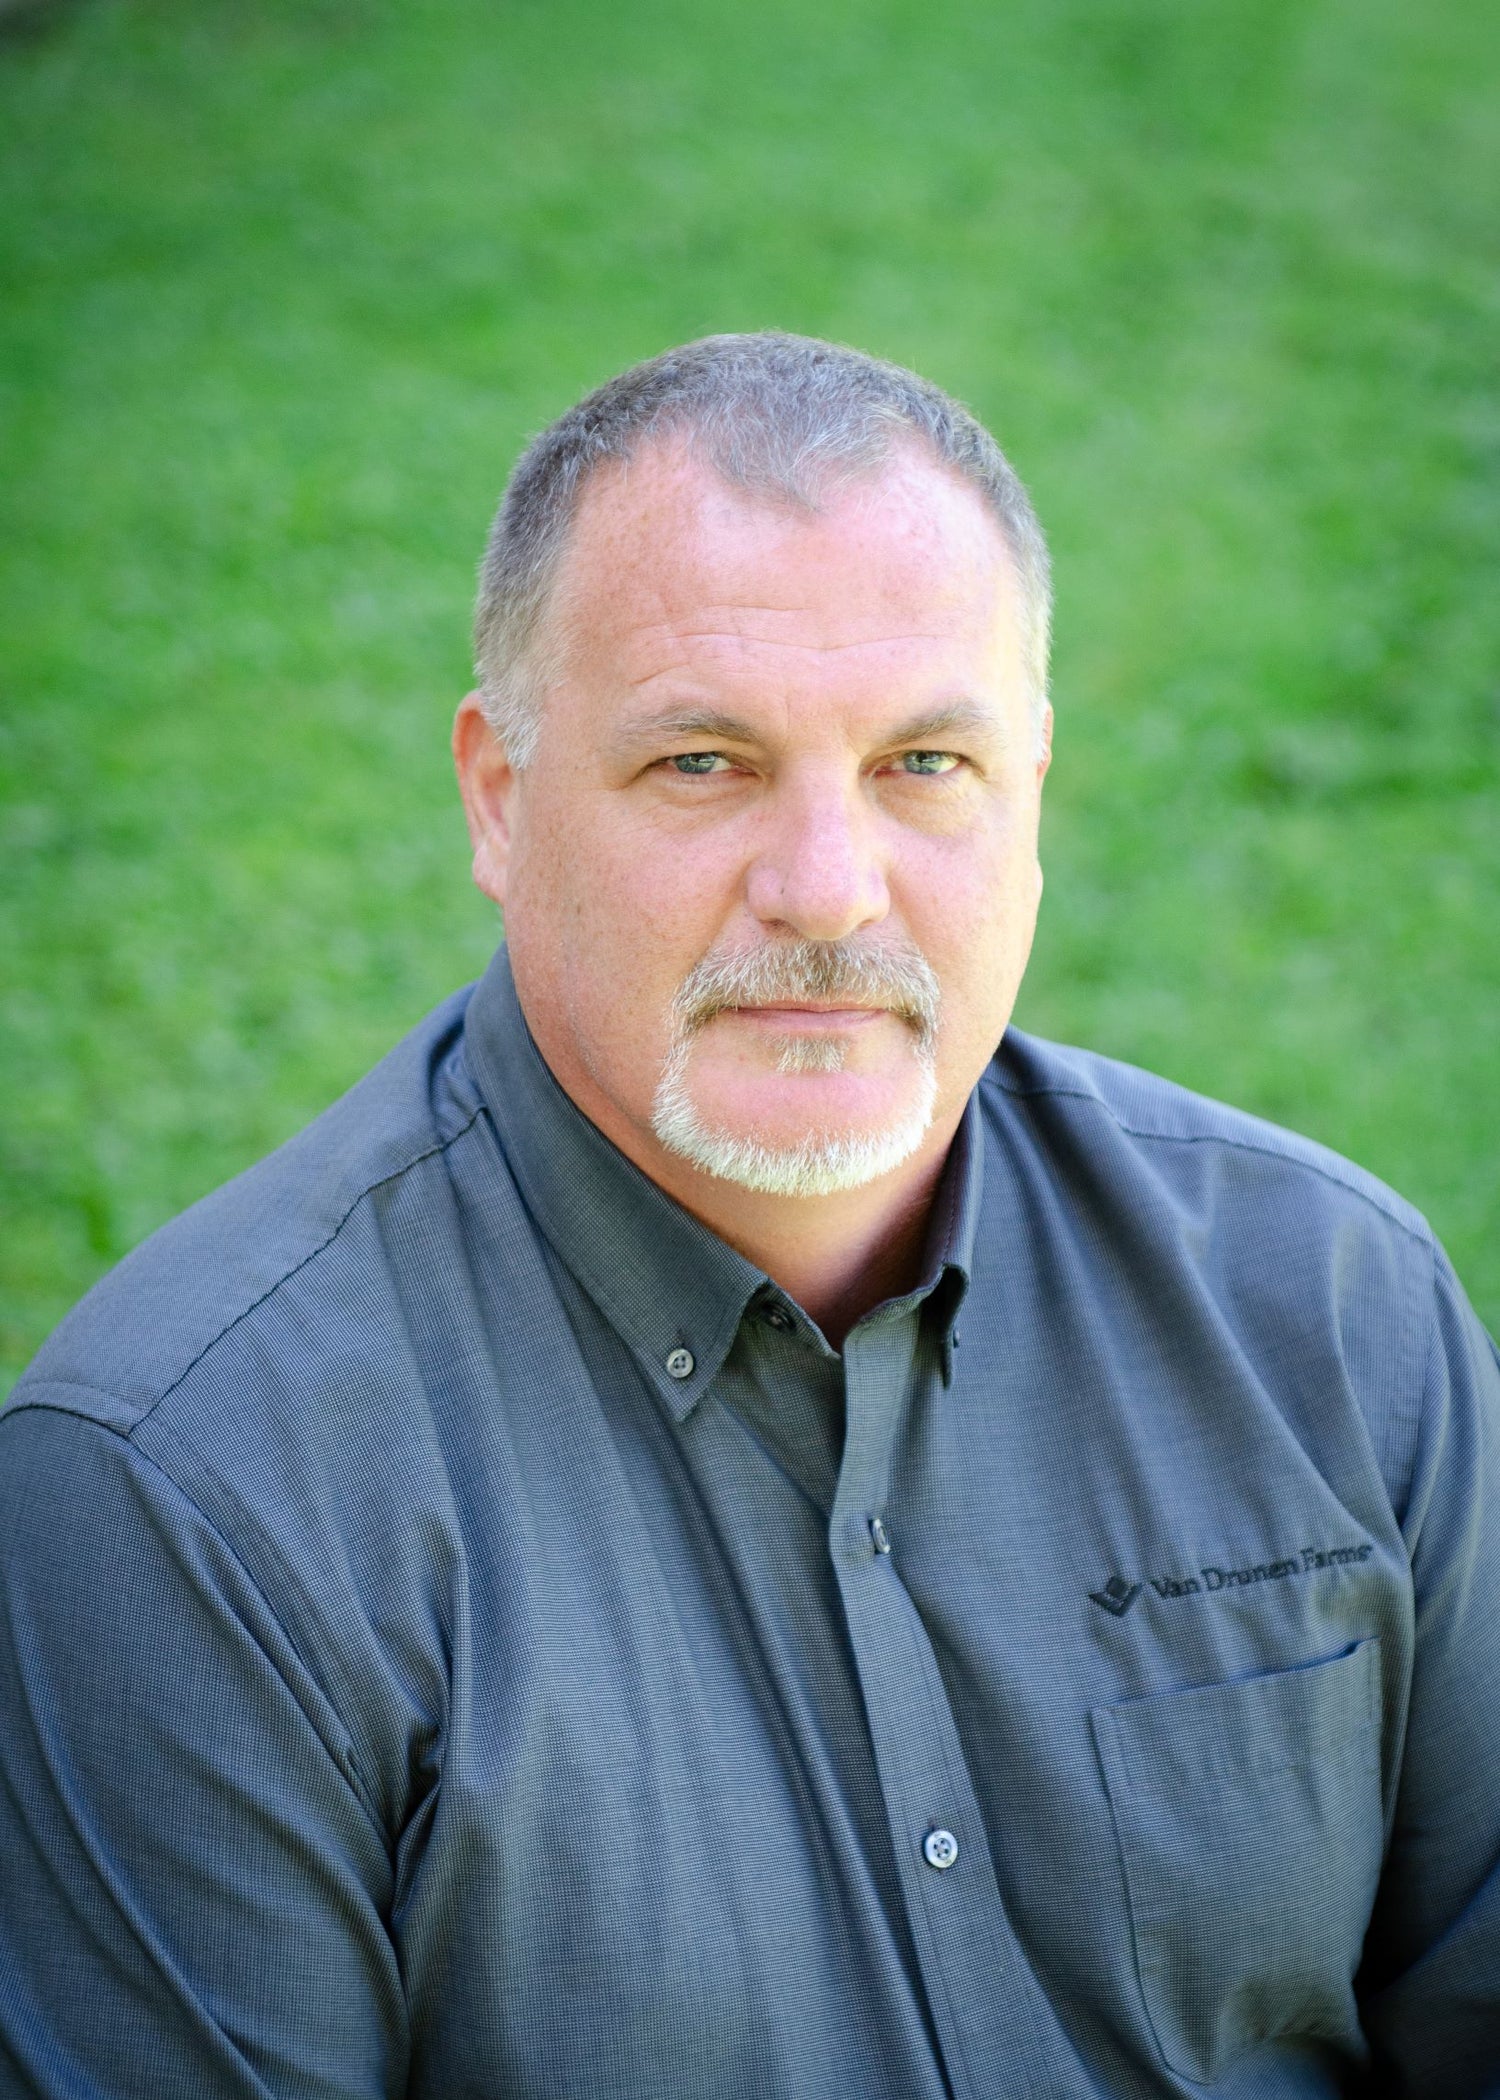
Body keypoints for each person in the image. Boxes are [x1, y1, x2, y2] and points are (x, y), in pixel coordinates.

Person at [1, 332, 1496, 2100]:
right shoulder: (187, 1493)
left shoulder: (1329, 1306)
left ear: (1032, 801)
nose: (824, 890)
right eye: (704, 762)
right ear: (498, 796)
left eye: (924, 764)